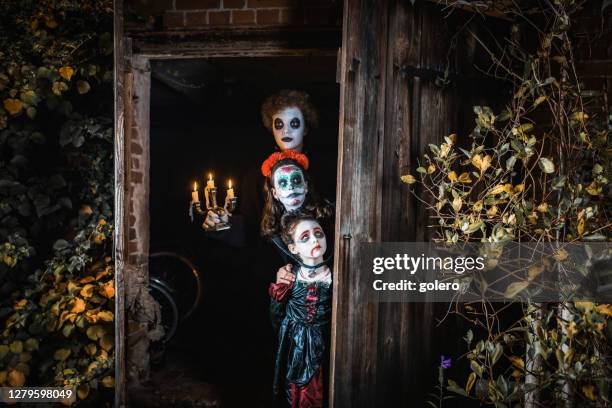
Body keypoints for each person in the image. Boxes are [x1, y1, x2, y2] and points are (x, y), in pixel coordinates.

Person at [269, 212, 332, 408]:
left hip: (325, 342)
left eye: (319, 234)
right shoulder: (290, 278)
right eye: (305, 237)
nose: (315, 239)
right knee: (294, 389)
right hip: (294, 343)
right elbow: (276, 315)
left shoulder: (335, 276)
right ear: (293, 248)